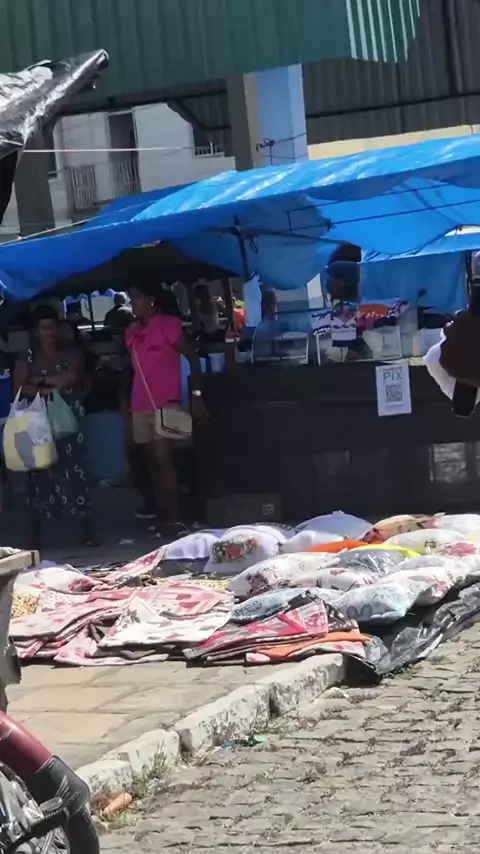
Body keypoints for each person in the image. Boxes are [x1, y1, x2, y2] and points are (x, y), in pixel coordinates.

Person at [125, 283, 208, 538]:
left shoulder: (168, 326)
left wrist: (196, 396)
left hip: (166, 403)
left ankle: (176, 519)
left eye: (136, 297)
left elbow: (193, 358)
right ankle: (165, 516)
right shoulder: (131, 332)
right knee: (152, 464)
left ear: (151, 300)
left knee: (164, 461)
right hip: (140, 404)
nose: (132, 303)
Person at [13, 306, 96, 550]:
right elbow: (19, 388)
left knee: (77, 472)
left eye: (52, 327)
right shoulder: (27, 357)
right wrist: (49, 386)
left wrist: (38, 381)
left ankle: (88, 529)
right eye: (44, 328)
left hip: (69, 420)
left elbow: (71, 377)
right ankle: (35, 533)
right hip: (38, 422)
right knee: (39, 473)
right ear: (36, 331)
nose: (49, 332)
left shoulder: (71, 352)